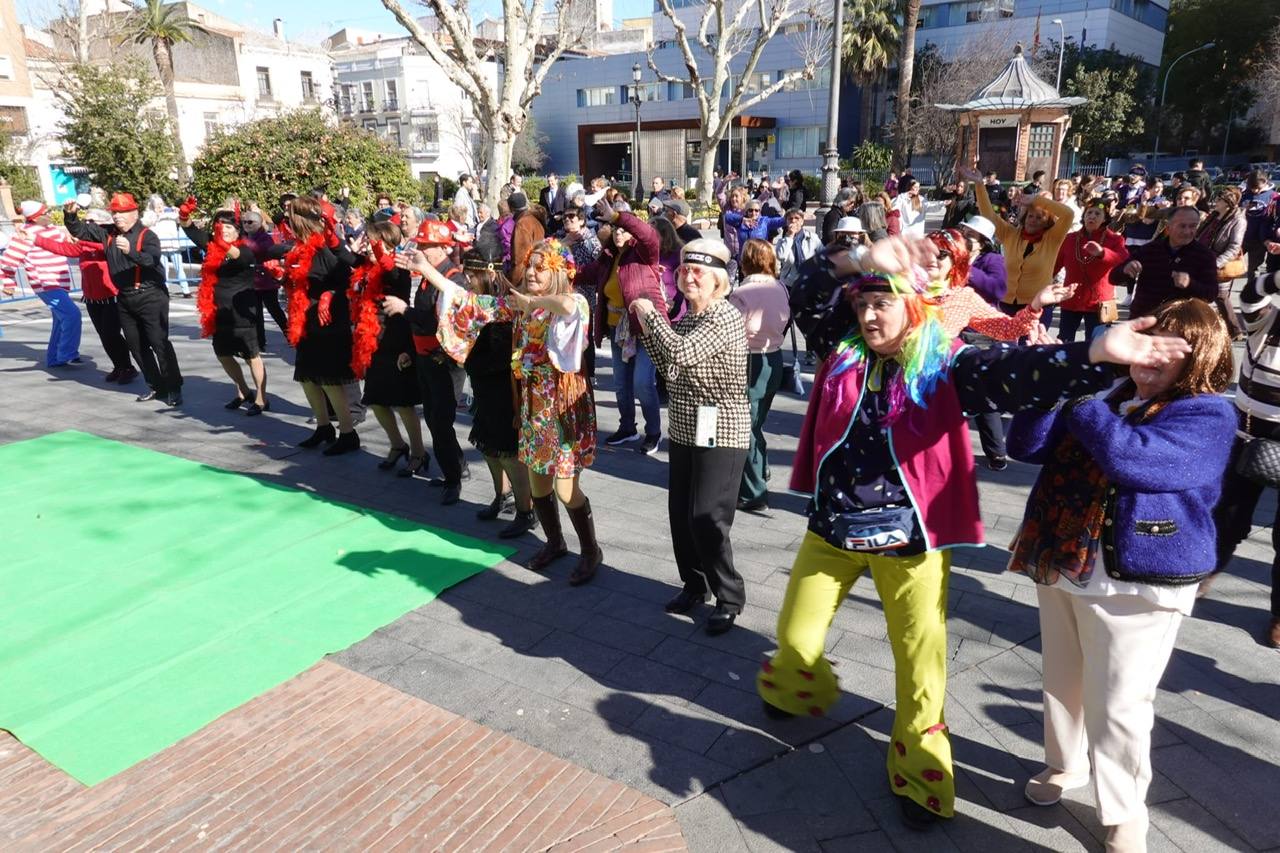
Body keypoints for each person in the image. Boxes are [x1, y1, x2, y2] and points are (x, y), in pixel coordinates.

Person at [758, 233, 1195, 830]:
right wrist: (862, 260)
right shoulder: (842, 345)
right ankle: (791, 686)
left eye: (882, 303)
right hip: (831, 529)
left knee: (920, 672)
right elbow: (804, 292)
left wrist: (1094, 351)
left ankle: (919, 778)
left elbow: (1017, 370)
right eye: (863, 303)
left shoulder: (949, 364)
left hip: (909, 542)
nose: (868, 314)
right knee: (795, 637)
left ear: (914, 307)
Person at [1008, 298, 1235, 852]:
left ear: (1200, 356)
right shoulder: (1111, 395)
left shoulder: (1210, 413)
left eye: (1166, 351)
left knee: (1120, 701)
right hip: (1066, 557)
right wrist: (1049, 381)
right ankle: (1065, 767)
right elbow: (1026, 444)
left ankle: (1126, 808)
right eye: (1145, 343)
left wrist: (1081, 396)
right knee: (1063, 682)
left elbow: (1135, 459)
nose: (1146, 360)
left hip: (1141, 579)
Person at [408, 238, 601, 583]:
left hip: (563, 410)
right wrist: (425, 269)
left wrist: (532, 301)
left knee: (565, 488)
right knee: (540, 486)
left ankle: (590, 551)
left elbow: (569, 308)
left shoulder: (575, 301)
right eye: (529, 266)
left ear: (558, 273)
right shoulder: (519, 307)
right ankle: (555, 543)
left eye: (540, 268)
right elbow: (469, 301)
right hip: (533, 407)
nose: (530, 273)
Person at [629, 239, 750, 634]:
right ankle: (694, 584)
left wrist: (652, 318)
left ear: (718, 280)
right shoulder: (689, 316)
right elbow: (668, 364)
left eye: (698, 271)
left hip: (722, 425)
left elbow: (679, 354)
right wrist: (649, 326)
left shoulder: (724, 318)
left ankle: (728, 596)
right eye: (684, 270)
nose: (688, 276)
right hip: (686, 424)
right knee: (680, 513)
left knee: (707, 515)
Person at [64, 193, 184, 405]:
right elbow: (80, 231)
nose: (117, 217)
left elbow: (152, 261)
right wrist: (71, 215)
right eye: (115, 213)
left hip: (150, 295)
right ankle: (156, 386)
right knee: (136, 346)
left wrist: (131, 252)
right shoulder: (107, 233)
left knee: (159, 343)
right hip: (125, 297)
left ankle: (174, 387)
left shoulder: (147, 236)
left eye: (122, 212)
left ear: (134, 213)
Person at [383, 221, 469, 500]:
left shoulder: (453, 278)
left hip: (444, 362)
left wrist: (404, 310)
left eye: (427, 246)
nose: (421, 250)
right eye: (420, 244)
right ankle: (455, 466)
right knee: (433, 419)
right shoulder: (426, 275)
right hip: (424, 357)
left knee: (440, 421)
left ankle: (453, 481)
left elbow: (438, 322)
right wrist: (410, 349)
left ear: (443, 248)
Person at [458, 233, 537, 537]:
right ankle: (501, 496)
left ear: (489, 273)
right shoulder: (477, 301)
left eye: (472, 273)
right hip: (483, 383)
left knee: (507, 451)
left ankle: (526, 510)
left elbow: (507, 355)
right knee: (488, 447)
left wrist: (465, 355)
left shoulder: (505, 306)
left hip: (505, 388)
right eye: (466, 272)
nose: (467, 278)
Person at [580, 201, 668, 452]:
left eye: (623, 229)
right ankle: (627, 428)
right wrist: (554, 265)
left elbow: (648, 234)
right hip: (617, 329)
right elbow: (583, 274)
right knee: (621, 384)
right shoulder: (608, 257)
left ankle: (653, 432)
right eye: (615, 229)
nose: (618, 233)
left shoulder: (644, 253)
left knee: (642, 382)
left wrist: (618, 216)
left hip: (644, 329)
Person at [275, 196, 359, 452]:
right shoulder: (298, 246)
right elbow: (303, 279)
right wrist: (283, 276)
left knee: (329, 379)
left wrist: (329, 294)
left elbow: (348, 275)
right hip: (307, 318)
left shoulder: (326, 245)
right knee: (308, 377)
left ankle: (348, 433)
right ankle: (324, 428)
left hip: (329, 320)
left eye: (291, 215)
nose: (287, 220)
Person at [347, 218, 425, 475]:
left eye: (373, 241)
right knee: (376, 400)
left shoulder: (398, 268)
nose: (369, 246)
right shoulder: (366, 268)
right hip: (373, 343)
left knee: (403, 403)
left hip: (397, 340)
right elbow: (341, 259)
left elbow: (390, 271)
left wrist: (378, 250)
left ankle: (418, 452)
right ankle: (397, 444)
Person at [179, 201, 269, 415]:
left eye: (229, 227)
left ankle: (261, 398)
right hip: (219, 312)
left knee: (251, 356)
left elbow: (239, 256)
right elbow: (190, 229)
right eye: (220, 226)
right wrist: (184, 214)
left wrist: (222, 243)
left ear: (237, 230)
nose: (224, 230)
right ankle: (243, 391)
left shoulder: (245, 249)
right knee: (223, 354)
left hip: (242, 313)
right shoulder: (212, 246)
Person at [962, 164, 1076, 329]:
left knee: (1029, 351)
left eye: (1039, 217)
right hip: (1007, 304)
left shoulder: (1052, 239)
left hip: (1037, 306)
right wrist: (980, 185)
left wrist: (1035, 199)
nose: (1033, 220)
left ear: (1048, 222)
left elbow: (1068, 214)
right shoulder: (1011, 234)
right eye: (1030, 216)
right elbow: (989, 215)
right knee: (1007, 351)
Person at [31, 208, 138, 383]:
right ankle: (119, 366)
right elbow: (62, 248)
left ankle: (128, 367)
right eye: (85, 221)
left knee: (112, 334)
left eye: (91, 222)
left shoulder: (109, 240)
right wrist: (36, 239)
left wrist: (82, 241)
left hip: (112, 295)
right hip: (92, 297)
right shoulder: (83, 243)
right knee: (104, 335)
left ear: (102, 224)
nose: (86, 225)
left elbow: (104, 247)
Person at [727, 239, 790, 513]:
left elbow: (739, 328)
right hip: (774, 356)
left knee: (746, 427)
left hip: (749, 359)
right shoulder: (781, 287)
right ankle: (760, 470)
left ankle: (754, 493)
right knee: (756, 421)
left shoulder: (742, 292)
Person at [2, 201, 81, 368]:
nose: (50, 215)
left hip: (60, 282)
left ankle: (54, 358)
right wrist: (9, 283)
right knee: (72, 315)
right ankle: (66, 354)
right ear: (36, 218)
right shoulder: (24, 234)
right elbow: (8, 261)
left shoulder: (53, 230)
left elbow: (65, 247)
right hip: (44, 283)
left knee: (61, 320)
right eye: (46, 213)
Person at [1113, 206, 1218, 319]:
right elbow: (1113, 278)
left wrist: (1190, 284)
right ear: (1168, 227)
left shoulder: (1205, 255)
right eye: (1182, 226)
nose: (1187, 231)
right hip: (1143, 321)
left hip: (1179, 324)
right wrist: (1125, 269)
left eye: (1192, 226)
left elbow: (1211, 294)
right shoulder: (1150, 249)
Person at [1054, 203, 1130, 343]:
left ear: (1105, 219)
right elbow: (1055, 265)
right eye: (1089, 213)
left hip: (1099, 302)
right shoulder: (1070, 238)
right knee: (1063, 342)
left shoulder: (1115, 239)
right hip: (1071, 298)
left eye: (1097, 214)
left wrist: (1102, 253)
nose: (1092, 217)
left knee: (1096, 345)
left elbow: (1123, 260)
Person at [1195, 186, 1247, 338]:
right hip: (1203, 259)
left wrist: (1216, 263)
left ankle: (1234, 330)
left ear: (1228, 202)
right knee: (1204, 294)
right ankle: (1230, 329)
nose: (1215, 202)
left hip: (1219, 263)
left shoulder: (1238, 220)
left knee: (1220, 296)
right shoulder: (1214, 215)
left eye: (1218, 199)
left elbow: (1234, 247)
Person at [1242, 170, 1277, 282]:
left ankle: (1252, 292)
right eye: (1252, 188)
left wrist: (1266, 239)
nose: (1255, 191)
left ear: (1265, 182)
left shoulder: (1273, 197)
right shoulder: (1245, 194)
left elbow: (1271, 220)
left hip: (1260, 241)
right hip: (1242, 236)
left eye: (1257, 188)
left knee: (1253, 269)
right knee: (1231, 265)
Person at [773, 208, 822, 289]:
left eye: (797, 218)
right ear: (787, 222)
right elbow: (781, 256)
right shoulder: (783, 241)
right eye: (790, 218)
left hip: (808, 281)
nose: (793, 221)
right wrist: (790, 236)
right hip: (788, 282)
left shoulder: (812, 237)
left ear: (802, 221)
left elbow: (822, 253)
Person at [508, 192, 545, 286]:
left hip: (526, 277)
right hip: (539, 271)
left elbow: (519, 260)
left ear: (511, 209)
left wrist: (513, 285)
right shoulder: (534, 218)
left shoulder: (522, 224)